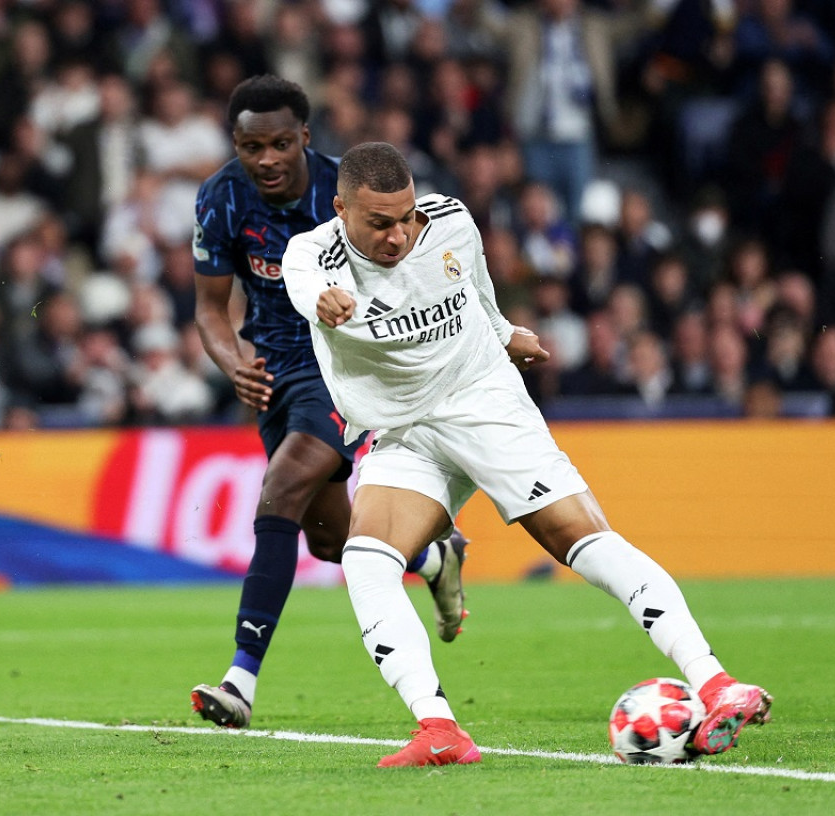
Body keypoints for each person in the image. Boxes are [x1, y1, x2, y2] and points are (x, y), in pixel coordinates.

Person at [283, 142, 773, 768]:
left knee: (584, 543)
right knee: (367, 562)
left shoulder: (451, 220)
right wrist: (326, 300)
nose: (399, 234)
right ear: (341, 208)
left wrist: (505, 333)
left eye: (406, 216)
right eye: (380, 222)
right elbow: (311, 289)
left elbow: (479, 295)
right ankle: (440, 730)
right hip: (406, 428)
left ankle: (715, 683)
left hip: (483, 401)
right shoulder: (311, 258)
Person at [189, 77, 467, 730]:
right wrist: (234, 365)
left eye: (281, 143)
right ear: (236, 144)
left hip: (345, 368)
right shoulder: (221, 199)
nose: (267, 159)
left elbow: (408, 276)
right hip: (274, 373)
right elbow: (207, 308)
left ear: (305, 139)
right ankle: (433, 556)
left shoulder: (346, 197)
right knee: (324, 539)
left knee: (279, 487)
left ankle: (241, 678)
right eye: (252, 146)